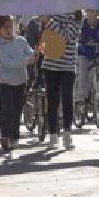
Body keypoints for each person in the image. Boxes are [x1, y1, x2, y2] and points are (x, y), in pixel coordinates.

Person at [0, 15, 35, 165]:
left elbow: (29, 52)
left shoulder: (21, 41)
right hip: (5, 82)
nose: (9, 30)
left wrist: (34, 54)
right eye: (6, 27)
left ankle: (15, 137)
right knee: (8, 109)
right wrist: (26, 61)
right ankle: (5, 136)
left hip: (21, 81)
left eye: (11, 26)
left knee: (17, 109)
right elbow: (9, 64)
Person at [39, 13, 80, 150]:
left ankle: (67, 133)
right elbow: (45, 38)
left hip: (67, 66)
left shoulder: (76, 18)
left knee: (67, 100)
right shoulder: (52, 13)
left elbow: (65, 37)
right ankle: (52, 135)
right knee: (52, 101)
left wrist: (51, 23)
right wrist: (49, 22)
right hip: (50, 65)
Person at [74, 9, 99, 110]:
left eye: (94, 12)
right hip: (84, 53)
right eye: (90, 11)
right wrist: (83, 41)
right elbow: (79, 36)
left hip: (96, 54)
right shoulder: (83, 25)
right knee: (83, 73)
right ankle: (82, 97)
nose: (92, 14)